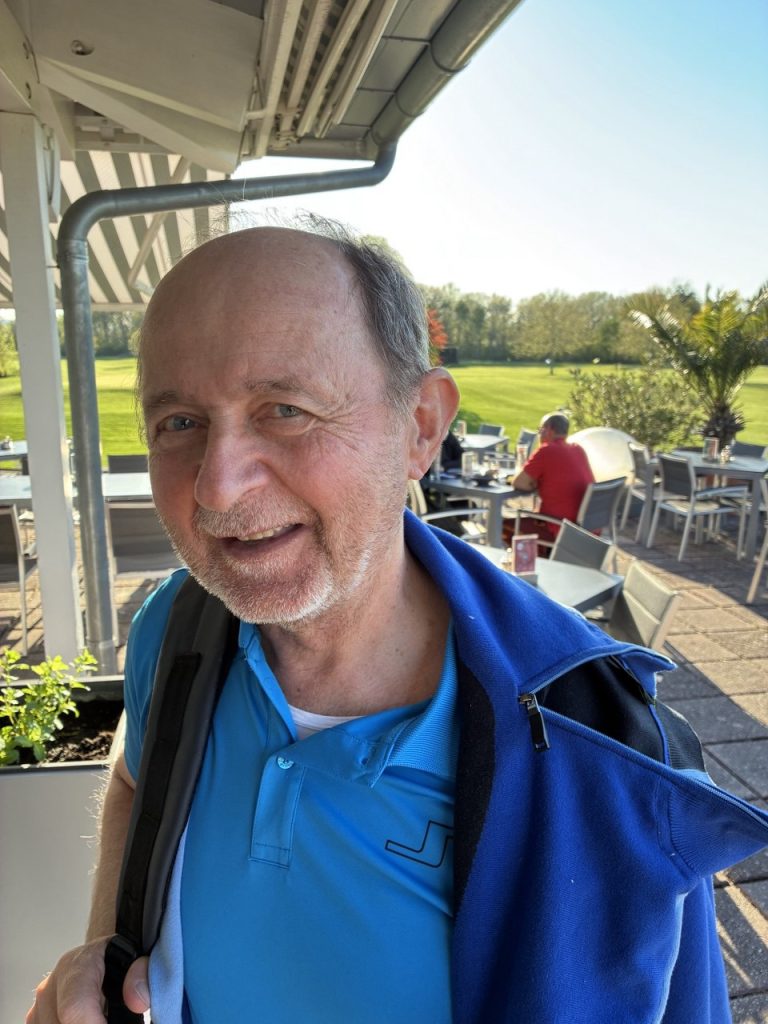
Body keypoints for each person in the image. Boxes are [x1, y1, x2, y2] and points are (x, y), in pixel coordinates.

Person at [29, 223, 768, 1024]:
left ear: (420, 425)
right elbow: (135, 778)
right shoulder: (177, 626)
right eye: (179, 422)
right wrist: (106, 948)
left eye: (285, 410)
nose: (219, 487)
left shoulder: (600, 755)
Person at [503, 411, 594, 550]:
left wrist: (535, 484)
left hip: (559, 529)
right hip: (584, 527)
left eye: (540, 430)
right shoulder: (578, 450)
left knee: (503, 525)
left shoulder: (547, 450)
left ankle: (537, 559)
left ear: (548, 430)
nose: (539, 435)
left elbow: (519, 483)